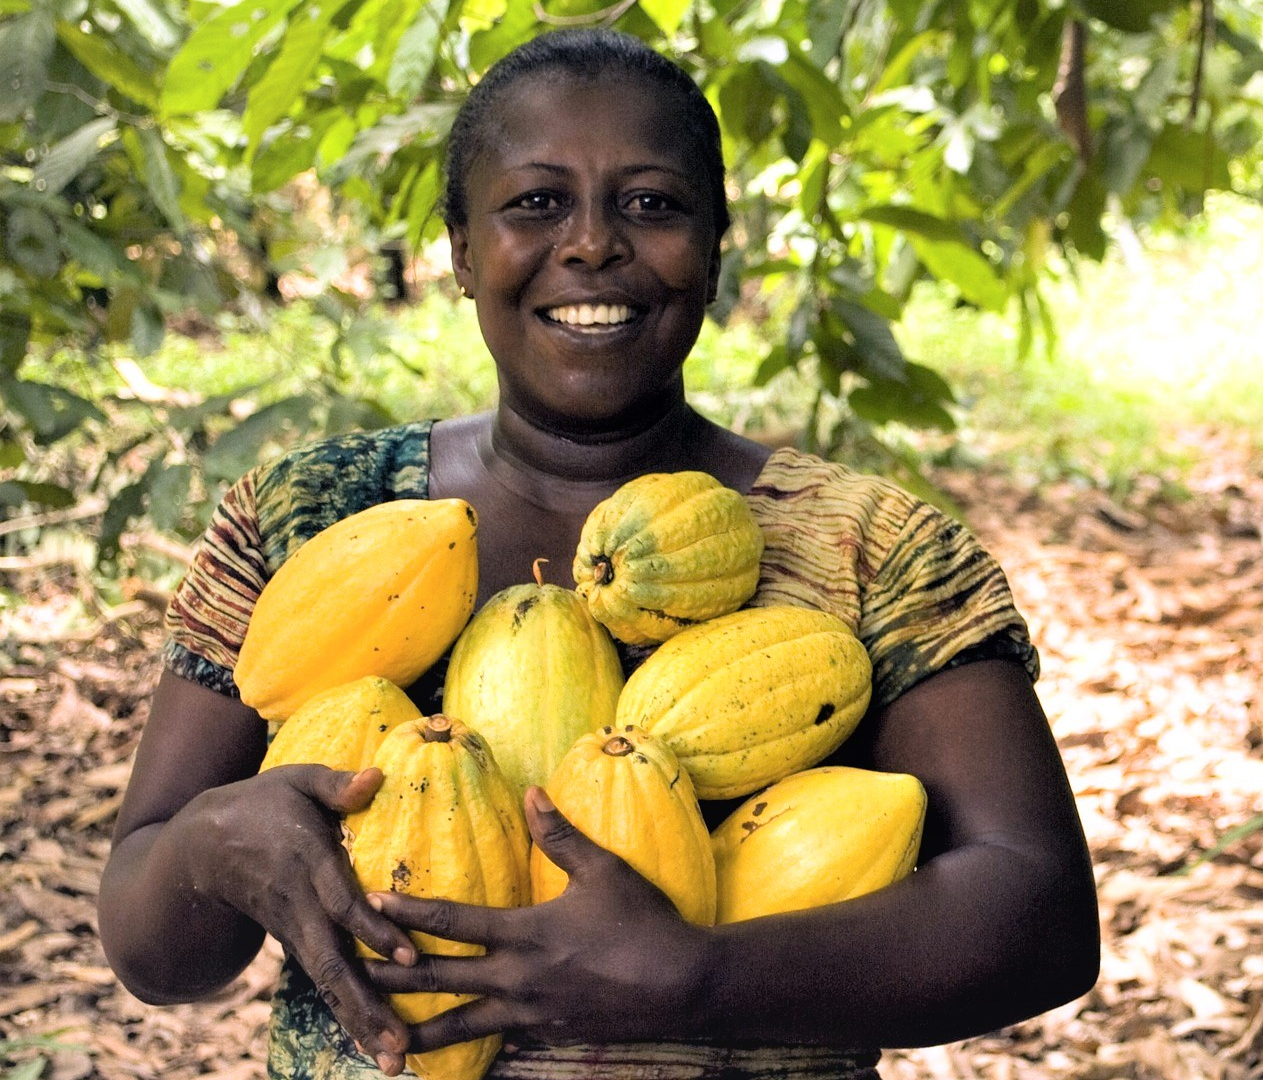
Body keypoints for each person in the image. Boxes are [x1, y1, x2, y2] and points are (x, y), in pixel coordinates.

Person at [96, 28, 1100, 1080]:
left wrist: (701, 976)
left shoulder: (871, 551)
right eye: (536, 203)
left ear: (716, 245)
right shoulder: (305, 516)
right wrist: (213, 850)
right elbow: (150, 945)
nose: (590, 246)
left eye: (651, 204)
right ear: (460, 249)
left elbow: (1040, 916)